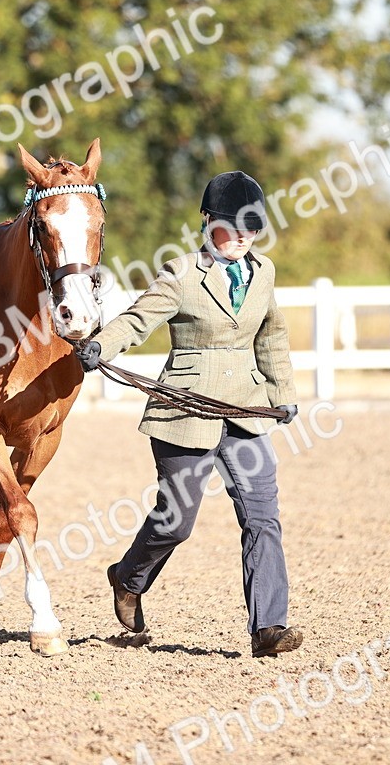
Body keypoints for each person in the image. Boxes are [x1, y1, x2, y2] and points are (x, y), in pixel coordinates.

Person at [76, 171, 303, 658]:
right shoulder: (180, 275)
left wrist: (283, 392)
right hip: (184, 409)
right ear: (208, 222)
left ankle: (268, 629)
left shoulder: (264, 274)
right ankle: (128, 577)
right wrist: (100, 344)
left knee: (263, 517)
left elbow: (272, 335)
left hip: (245, 412)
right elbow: (138, 320)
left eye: (253, 227)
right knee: (177, 521)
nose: (244, 236)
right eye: (234, 225)